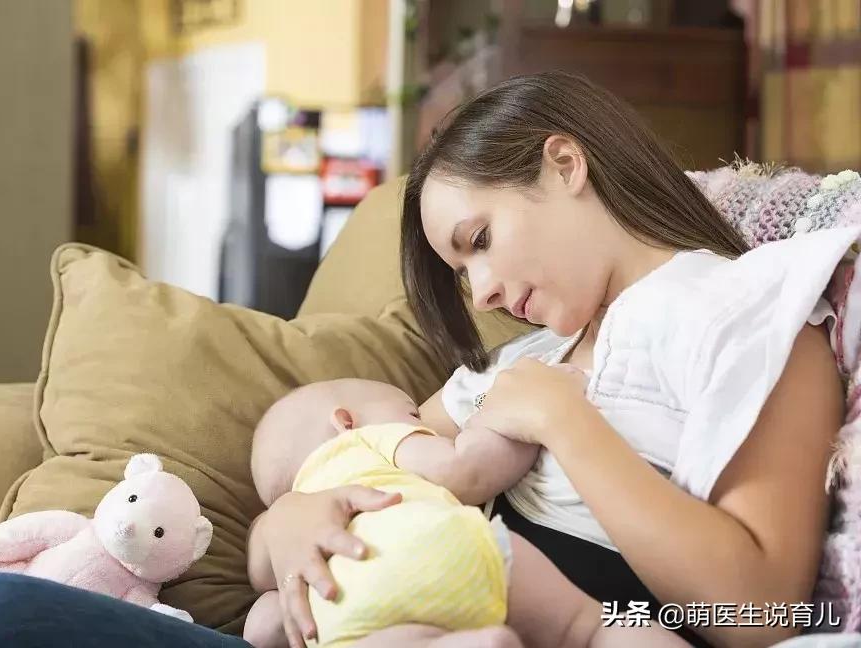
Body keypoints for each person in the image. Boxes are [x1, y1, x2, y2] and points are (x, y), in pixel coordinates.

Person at [251, 71, 844, 648]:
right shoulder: (518, 361)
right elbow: (352, 455)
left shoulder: (751, 310)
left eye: (479, 241)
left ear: (565, 165)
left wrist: (565, 422)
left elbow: (761, 612)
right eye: (463, 274)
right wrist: (289, 519)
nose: (480, 294)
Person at [241, 378, 689, 648]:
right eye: (412, 412)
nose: (421, 422)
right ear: (346, 420)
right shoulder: (369, 441)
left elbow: (262, 621)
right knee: (587, 627)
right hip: (439, 549)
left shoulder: (296, 530)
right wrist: (507, 418)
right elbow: (466, 469)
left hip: (343, 613)